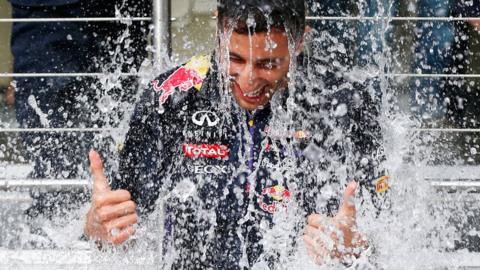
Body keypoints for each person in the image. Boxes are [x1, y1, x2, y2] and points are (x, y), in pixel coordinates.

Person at [84, 0, 387, 268]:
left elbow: (391, 233)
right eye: (236, 59)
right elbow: (120, 221)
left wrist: (358, 249)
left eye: (269, 63)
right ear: (219, 28)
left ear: (298, 43)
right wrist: (97, 227)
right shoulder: (170, 98)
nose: (249, 81)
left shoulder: (345, 106)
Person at [8, 0, 150, 221]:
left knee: (118, 154)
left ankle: (110, 235)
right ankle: (51, 233)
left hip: (124, 12)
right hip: (46, 11)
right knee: (51, 161)